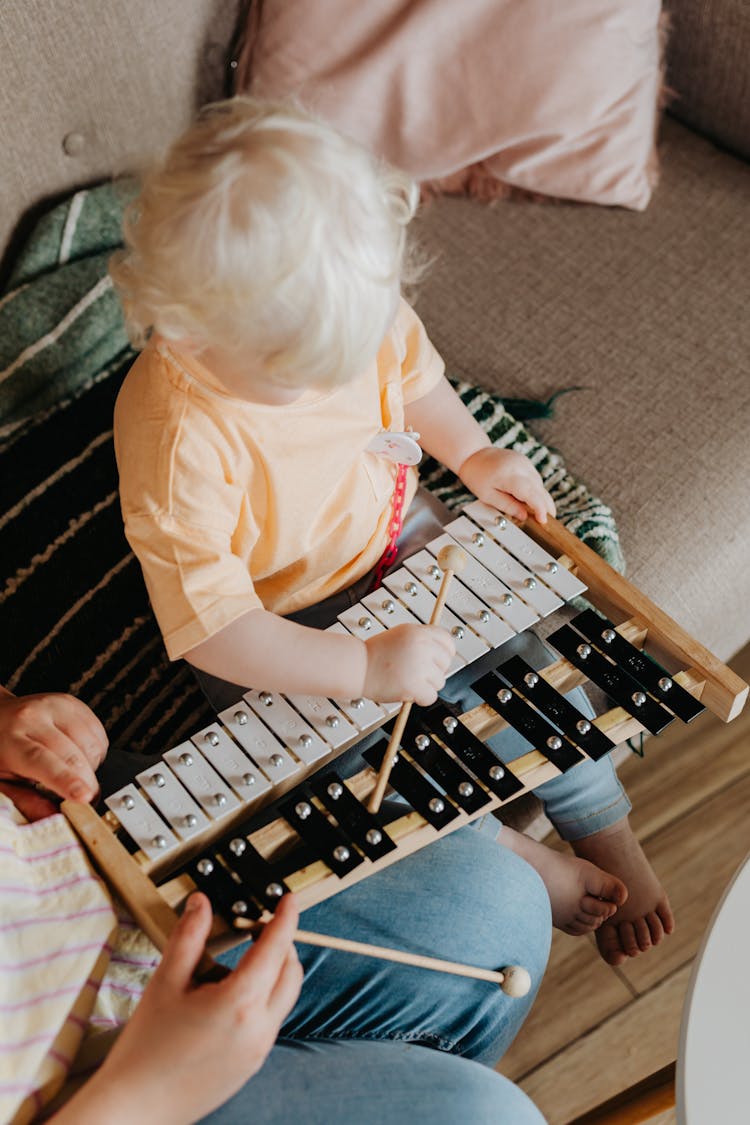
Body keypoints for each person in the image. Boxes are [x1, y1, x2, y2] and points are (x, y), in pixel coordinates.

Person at [109, 96, 673, 967]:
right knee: (351, 784)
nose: (340, 375)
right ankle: (513, 858)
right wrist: (362, 669)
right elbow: (216, 628)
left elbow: (414, 387)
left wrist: (478, 456)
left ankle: (601, 819)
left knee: (532, 652)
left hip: (394, 532)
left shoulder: (356, 307)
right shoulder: (173, 435)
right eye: (302, 378)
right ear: (188, 328)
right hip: (278, 628)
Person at [0, 688, 551, 1124]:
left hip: (70, 871)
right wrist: (144, 1096)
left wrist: (7, 715)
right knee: (484, 1116)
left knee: (505, 910)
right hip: (86, 1086)